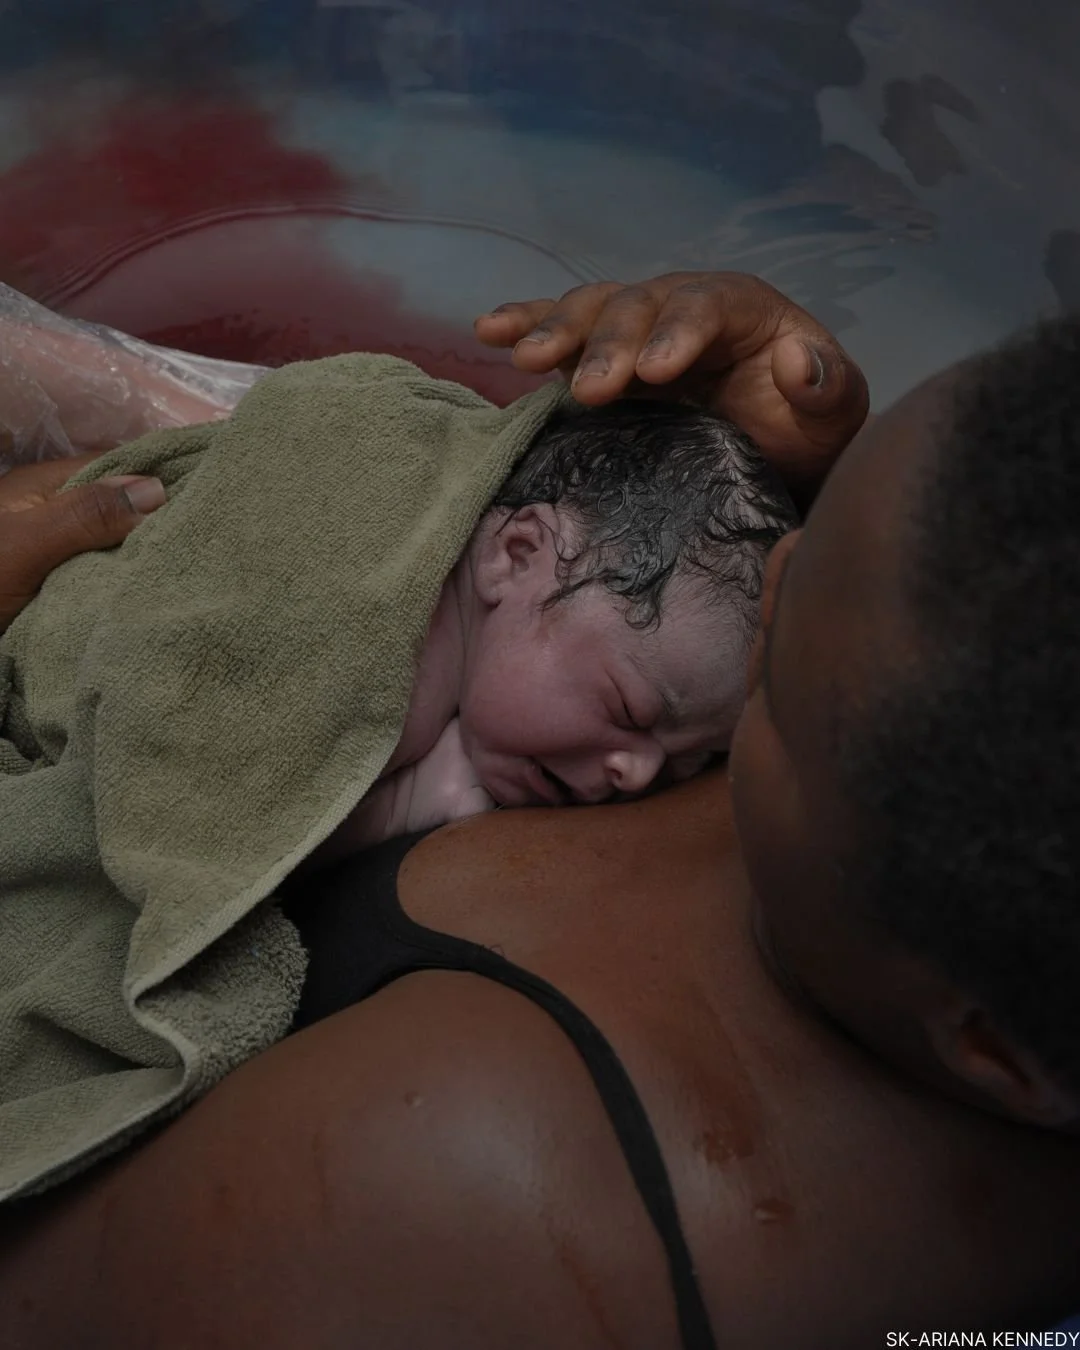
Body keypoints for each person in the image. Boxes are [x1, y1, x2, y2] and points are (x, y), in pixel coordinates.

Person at [2, 272, 1078, 1349]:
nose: (786, 568)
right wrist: (795, 475)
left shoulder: (440, 1199)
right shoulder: (950, 876)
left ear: (995, 1053)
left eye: (776, 681)